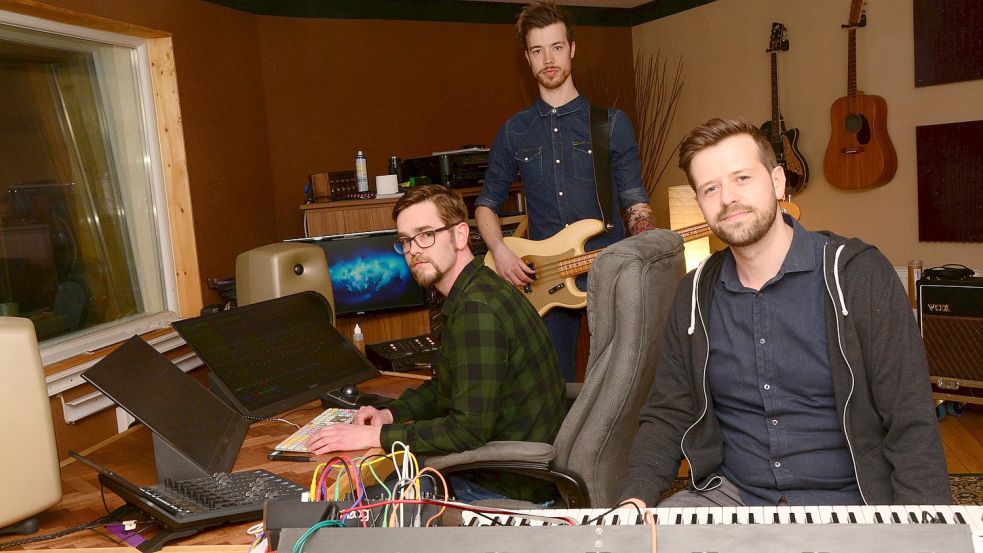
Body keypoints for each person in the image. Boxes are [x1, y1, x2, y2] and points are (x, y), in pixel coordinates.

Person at [619, 118, 951, 509]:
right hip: (734, 499)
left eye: (742, 178)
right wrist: (634, 499)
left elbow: (910, 419)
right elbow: (668, 413)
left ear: (777, 182)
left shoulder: (858, 275)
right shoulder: (695, 292)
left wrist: (921, 532)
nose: (727, 198)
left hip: (849, 504)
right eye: (710, 188)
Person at [306, 185, 565, 503]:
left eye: (425, 234)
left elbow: (466, 431)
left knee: (346, 507)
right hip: (515, 474)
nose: (414, 249)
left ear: (459, 236)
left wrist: (376, 436)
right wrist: (391, 415)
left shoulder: (476, 309)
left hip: (499, 486)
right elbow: (447, 386)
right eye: (405, 240)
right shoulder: (480, 291)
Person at [475, 0, 655, 382]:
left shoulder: (611, 123)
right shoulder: (514, 131)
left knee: (618, 384)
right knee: (553, 388)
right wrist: (501, 252)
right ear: (528, 58)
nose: (549, 59)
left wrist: (646, 246)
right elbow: (486, 204)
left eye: (556, 47)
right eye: (538, 51)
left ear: (572, 49)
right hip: (545, 279)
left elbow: (634, 199)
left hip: (608, 270)